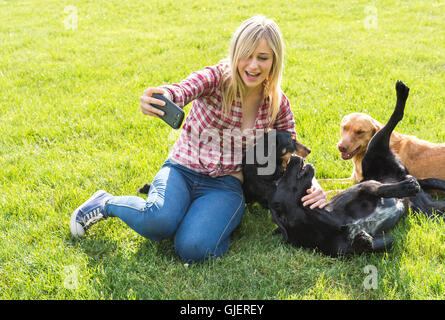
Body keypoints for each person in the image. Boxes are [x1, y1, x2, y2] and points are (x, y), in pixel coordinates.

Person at [70, 15, 327, 263]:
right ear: (235, 54)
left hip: (226, 185)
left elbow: (291, 147)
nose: (253, 65)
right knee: (158, 221)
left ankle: (193, 216)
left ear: (274, 61)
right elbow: (185, 88)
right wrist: (166, 96)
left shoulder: (276, 102)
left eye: (262, 58)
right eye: (246, 55)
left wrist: (312, 184)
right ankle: (105, 202)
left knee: (195, 249)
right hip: (182, 170)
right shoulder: (217, 78)